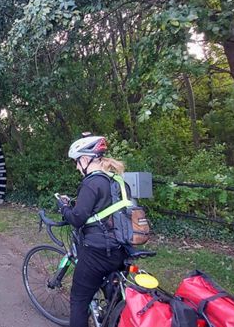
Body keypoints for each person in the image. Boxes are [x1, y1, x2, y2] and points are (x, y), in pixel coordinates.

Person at [58, 133, 130, 327]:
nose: (77, 167)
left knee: (79, 299)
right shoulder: (118, 181)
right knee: (114, 296)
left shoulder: (92, 183)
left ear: (85, 159)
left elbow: (77, 219)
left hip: (97, 252)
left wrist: (63, 207)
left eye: (76, 162)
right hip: (121, 249)